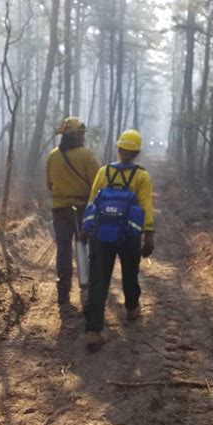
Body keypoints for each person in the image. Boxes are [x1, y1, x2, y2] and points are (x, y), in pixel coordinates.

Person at [81, 129, 155, 351]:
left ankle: (94, 331)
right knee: (130, 273)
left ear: (119, 149)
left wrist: (86, 228)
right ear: (137, 152)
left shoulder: (104, 172)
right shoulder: (142, 176)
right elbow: (146, 207)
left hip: (102, 234)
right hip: (129, 235)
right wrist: (148, 234)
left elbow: (92, 201)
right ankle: (132, 308)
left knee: (98, 280)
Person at [47, 117, 100, 306]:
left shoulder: (53, 155)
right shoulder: (86, 156)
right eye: (81, 133)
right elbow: (98, 183)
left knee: (63, 249)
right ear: (76, 136)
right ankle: (85, 290)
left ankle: (63, 291)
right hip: (82, 209)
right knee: (82, 247)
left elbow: (49, 184)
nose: (83, 137)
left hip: (59, 210)